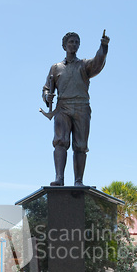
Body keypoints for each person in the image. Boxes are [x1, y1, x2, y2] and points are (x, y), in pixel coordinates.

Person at [42, 31, 110, 186]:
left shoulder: (84, 65)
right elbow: (46, 88)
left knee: (80, 145)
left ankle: (78, 180)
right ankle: (59, 178)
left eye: (76, 42)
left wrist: (103, 47)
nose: (74, 44)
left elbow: (98, 63)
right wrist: (47, 96)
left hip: (81, 107)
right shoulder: (55, 68)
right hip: (62, 107)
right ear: (64, 45)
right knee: (60, 142)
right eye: (71, 42)